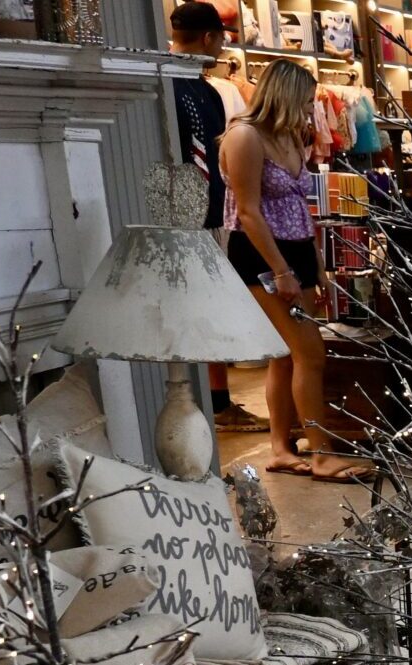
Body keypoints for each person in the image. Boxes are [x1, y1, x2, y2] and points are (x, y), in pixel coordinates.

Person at [220, 60, 370, 481]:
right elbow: (248, 212)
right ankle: (321, 453)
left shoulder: (288, 135)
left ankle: (282, 449)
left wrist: (317, 265)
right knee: (311, 354)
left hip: (297, 249)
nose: (311, 110)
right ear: (284, 95)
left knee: (286, 355)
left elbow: (301, 208)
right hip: (264, 255)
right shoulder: (244, 136)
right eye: (305, 101)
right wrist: (282, 270)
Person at [168, 2, 267, 436]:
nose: (225, 44)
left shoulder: (200, 87)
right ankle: (210, 403)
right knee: (199, 308)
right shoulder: (175, 84)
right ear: (209, 37)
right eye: (222, 36)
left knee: (209, 306)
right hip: (187, 214)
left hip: (203, 210)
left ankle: (217, 401)